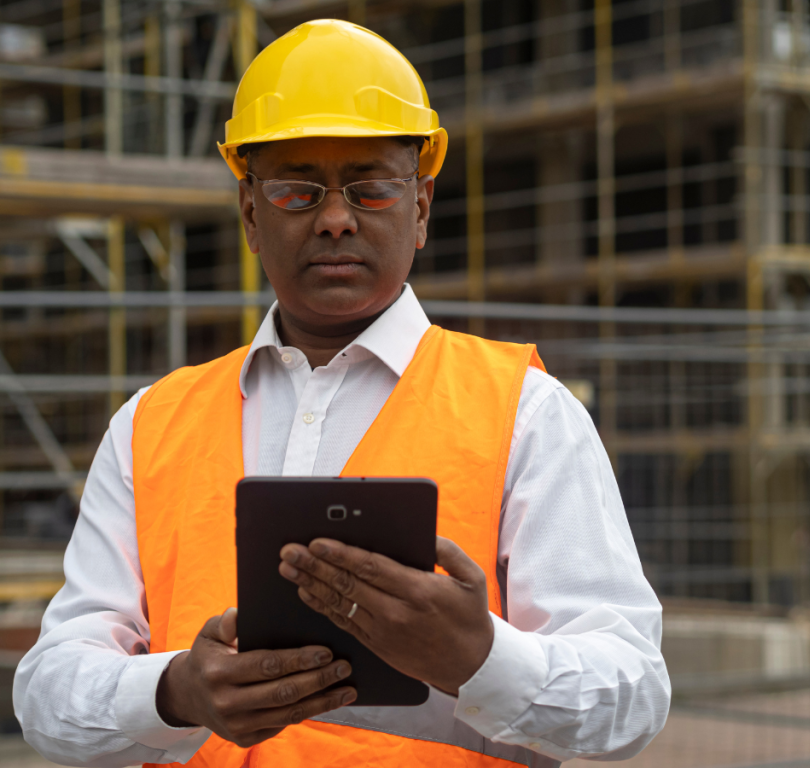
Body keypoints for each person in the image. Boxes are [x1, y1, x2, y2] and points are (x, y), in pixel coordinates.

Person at [14, 19, 670, 768]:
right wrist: (176, 692)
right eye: (296, 190)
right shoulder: (149, 426)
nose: (333, 218)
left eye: (370, 187)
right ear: (251, 213)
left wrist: (483, 660)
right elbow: (47, 693)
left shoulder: (526, 415)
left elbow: (633, 695)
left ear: (420, 208)